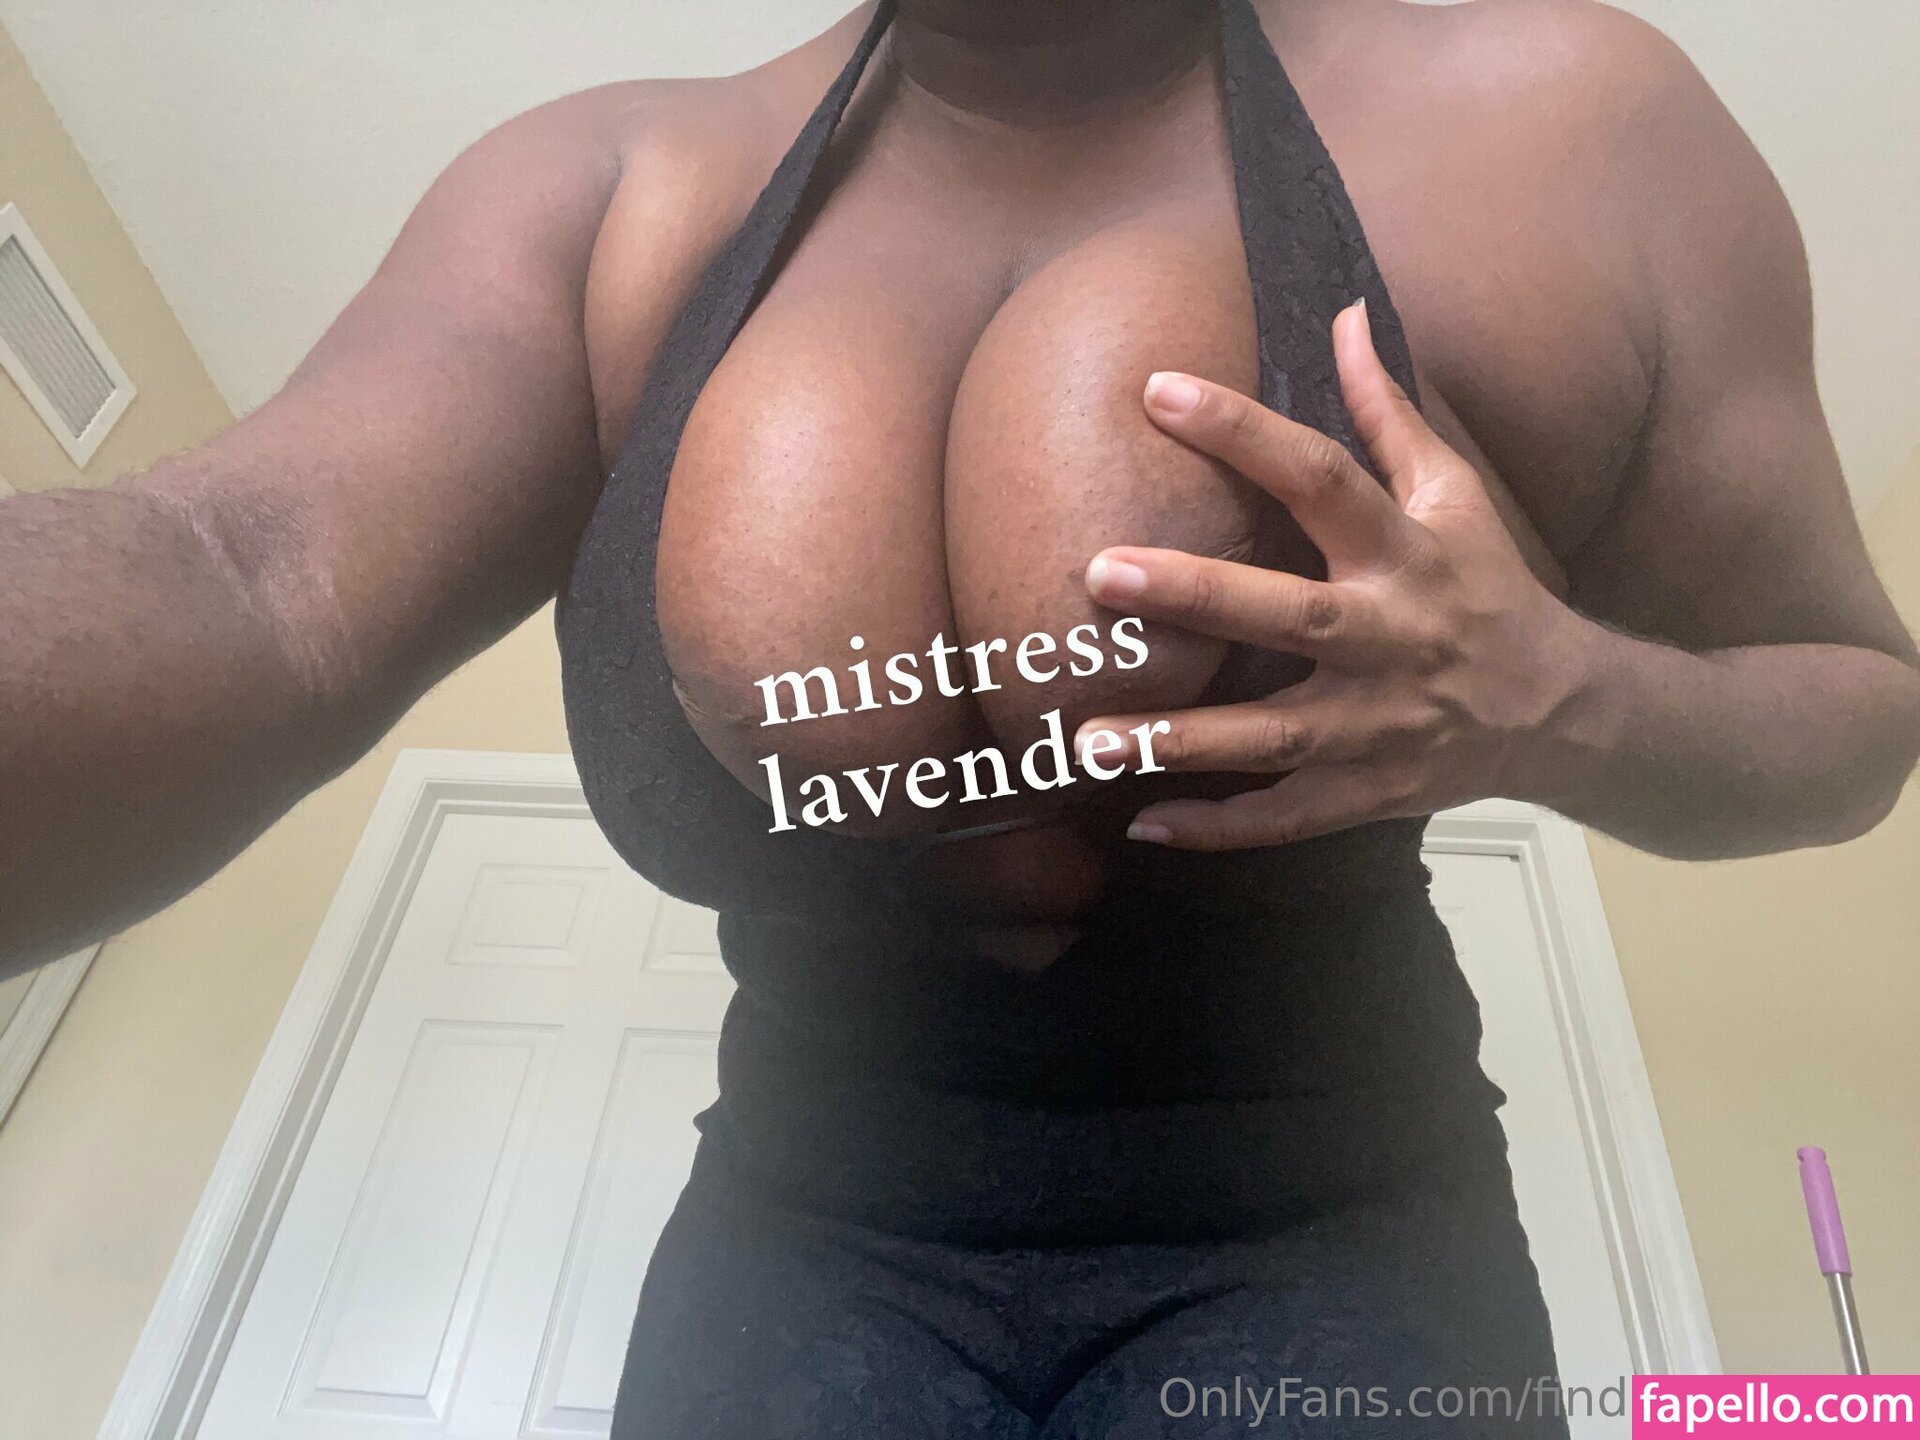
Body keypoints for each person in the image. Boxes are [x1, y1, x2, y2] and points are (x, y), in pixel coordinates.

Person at [3, 0, 1916, 1434]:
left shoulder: (1569, 124)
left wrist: (1560, 700)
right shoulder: (609, 191)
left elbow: (1855, 707)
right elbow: (247, 575)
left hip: (1347, 1216)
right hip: (800, 1234)